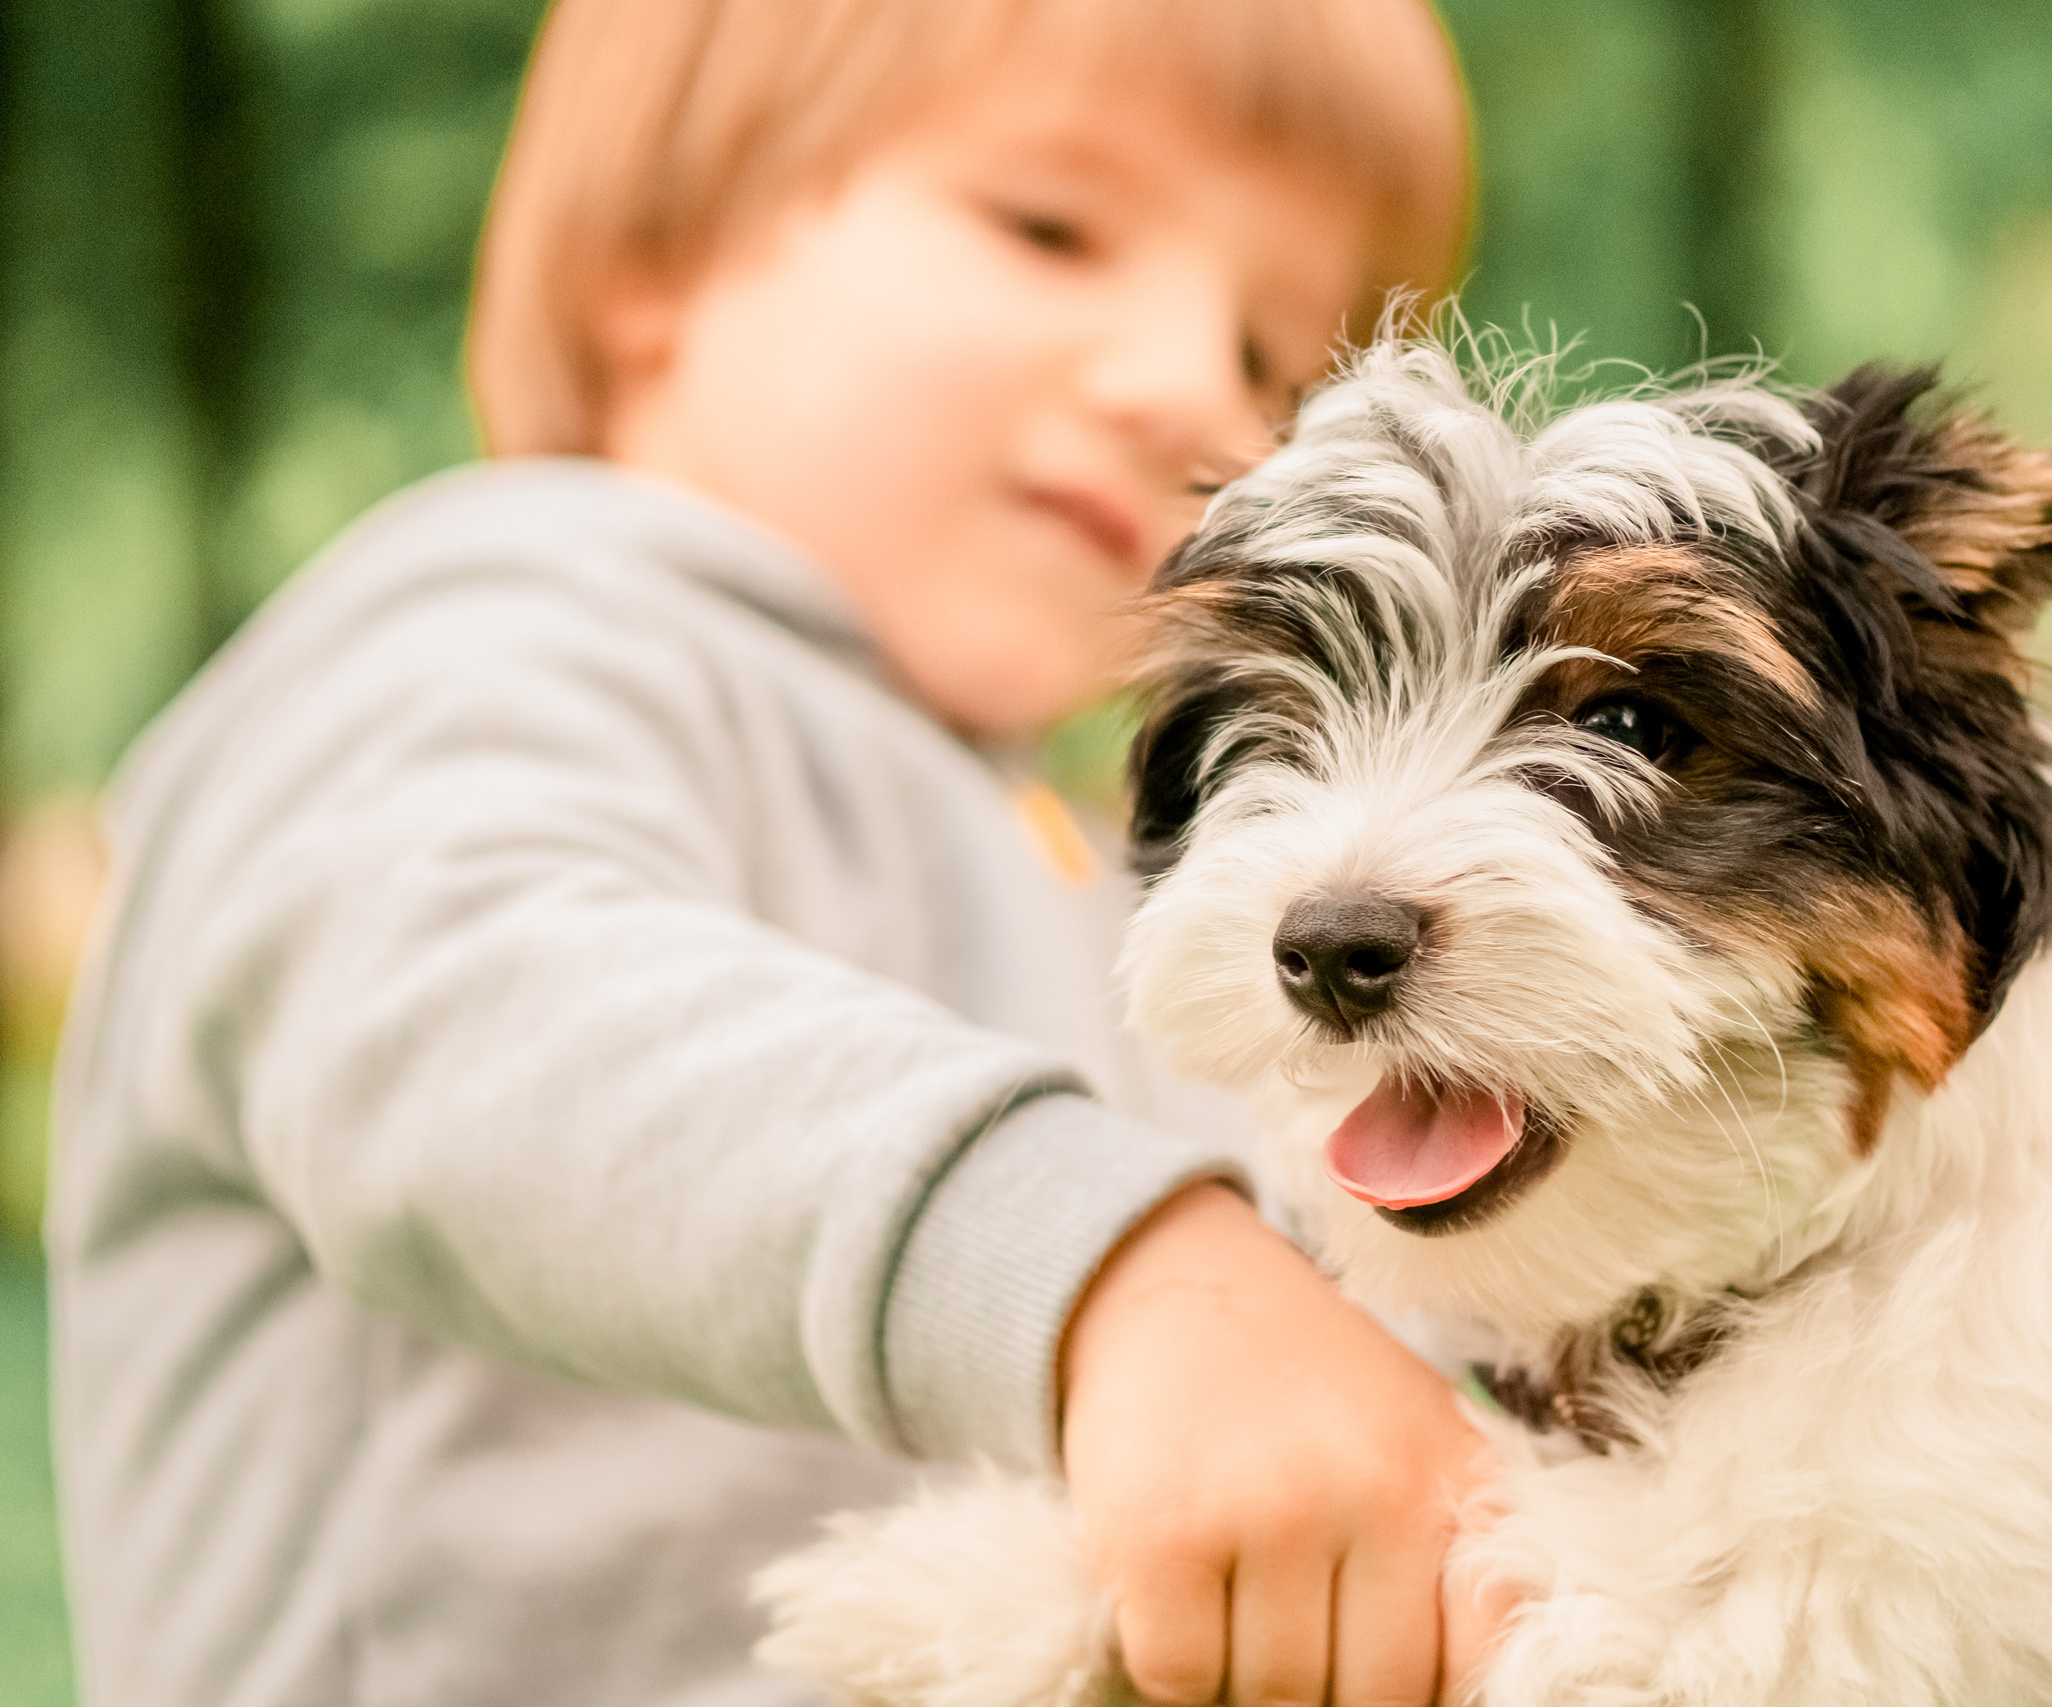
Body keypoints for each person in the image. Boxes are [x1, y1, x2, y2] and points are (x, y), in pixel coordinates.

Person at [44, 2, 1494, 1703]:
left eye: (1278, 366)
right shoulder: (497, 615)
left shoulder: (1081, 864)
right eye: (1050, 229)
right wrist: (1124, 1278)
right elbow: (481, 1017)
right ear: (651, 263)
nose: (1193, 400)